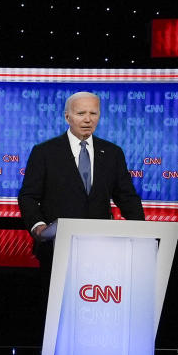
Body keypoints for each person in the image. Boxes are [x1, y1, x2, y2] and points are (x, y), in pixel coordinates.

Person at [17, 91, 144, 296]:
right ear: (67, 116)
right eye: (81, 113)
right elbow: (28, 196)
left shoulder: (112, 153)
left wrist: (140, 235)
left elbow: (127, 196)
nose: (87, 119)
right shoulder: (45, 152)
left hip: (102, 249)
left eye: (93, 113)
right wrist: (39, 227)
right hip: (56, 248)